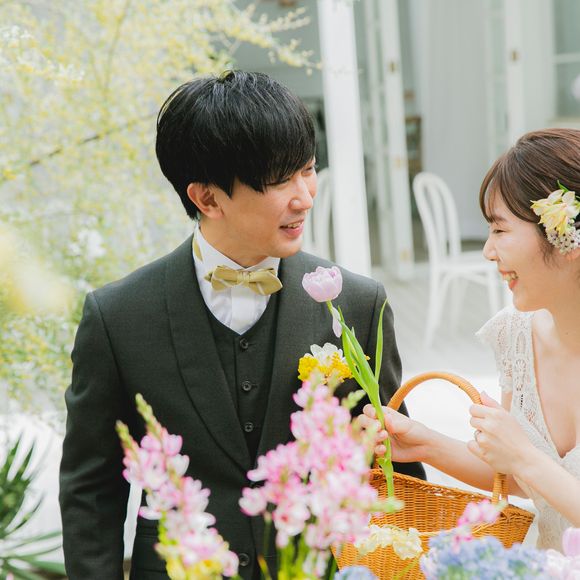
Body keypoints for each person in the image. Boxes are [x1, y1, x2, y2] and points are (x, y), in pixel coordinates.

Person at [59, 70, 425, 580]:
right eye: (279, 181)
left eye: (308, 169)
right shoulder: (118, 317)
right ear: (207, 199)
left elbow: (396, 473)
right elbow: (91, 490)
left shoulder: (358, 305)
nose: (305, 197)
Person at [365, 128, 580, 550]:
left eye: (499, 230)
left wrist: (524, 456)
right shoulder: (515, 335)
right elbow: (521, 478)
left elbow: (526, 463)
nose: (488, 250)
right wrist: (423, 442)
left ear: (564, 236)